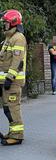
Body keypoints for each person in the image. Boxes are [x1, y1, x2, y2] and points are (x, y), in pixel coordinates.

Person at [0, 10, 27, 145]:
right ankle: (12, 132)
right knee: (7, 108)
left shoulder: (18, 38)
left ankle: (17, 136)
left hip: (13, 81)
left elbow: (17, 61)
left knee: (13, 108)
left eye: (5, 23)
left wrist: (9, 78)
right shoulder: (8, 38)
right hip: (6, 81)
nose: (4, 25)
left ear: (13, 23)